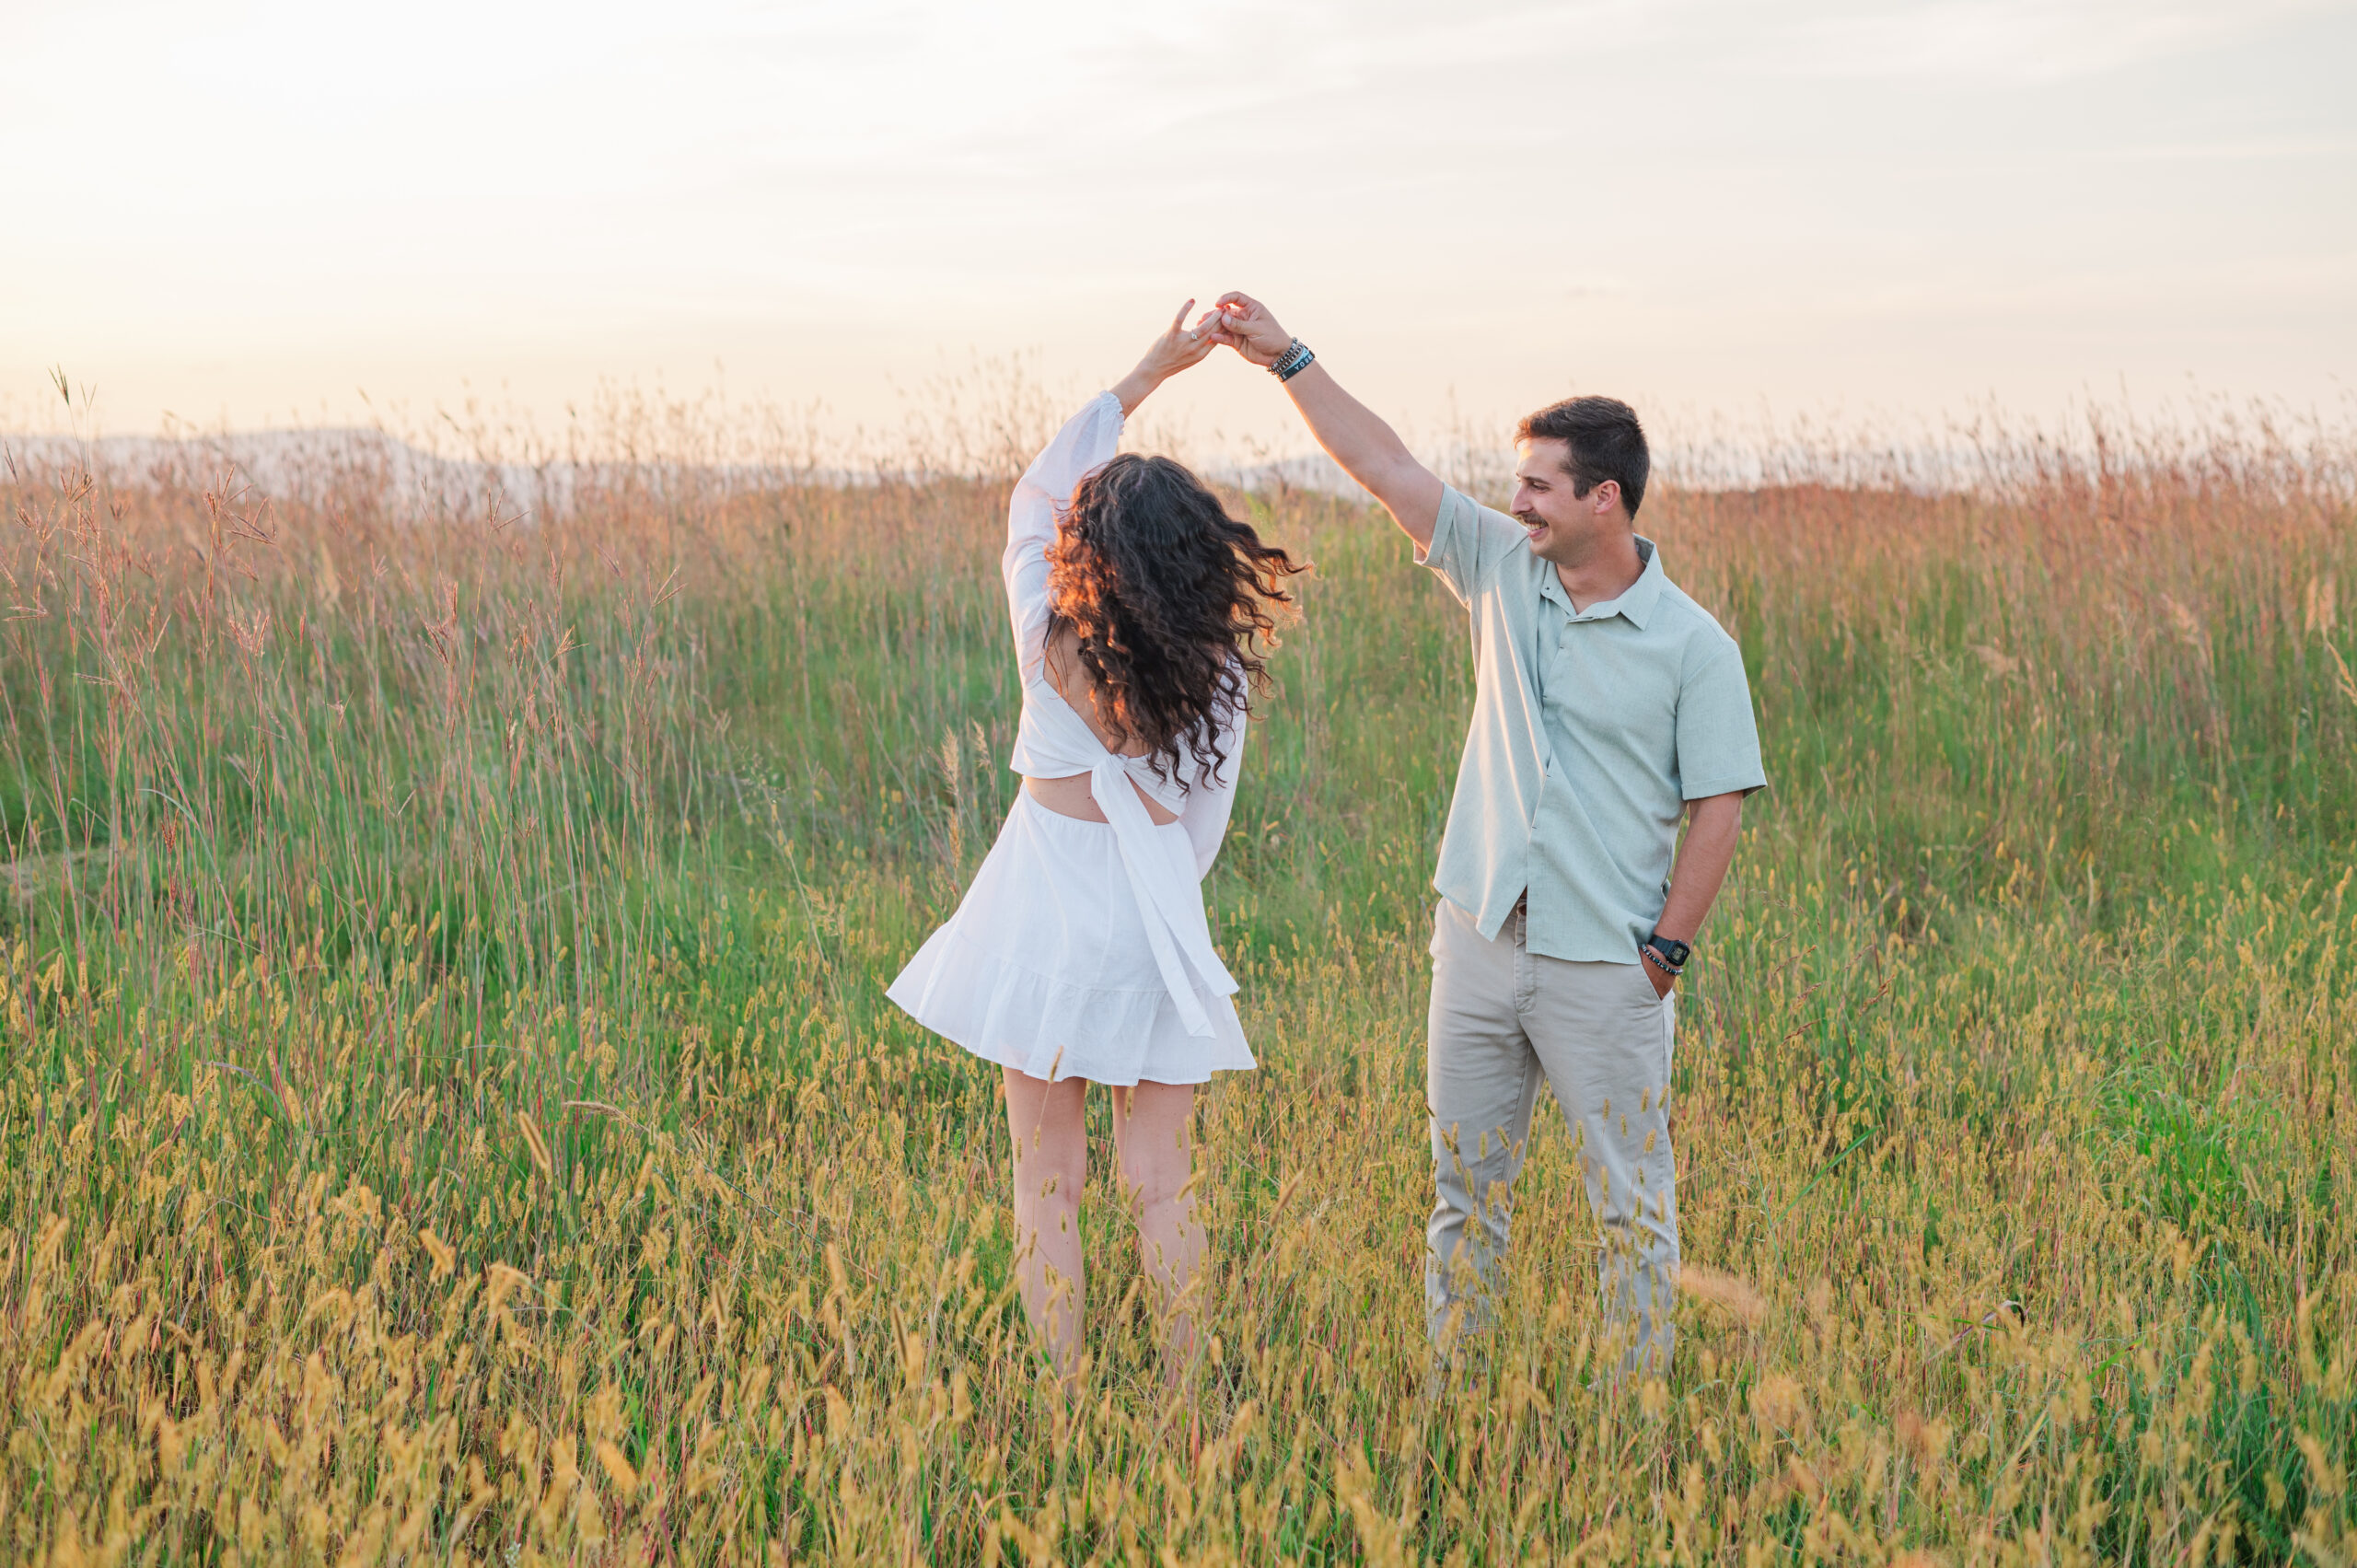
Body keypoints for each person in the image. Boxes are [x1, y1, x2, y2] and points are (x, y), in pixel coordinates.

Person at [1207, 293, 1764, 1377]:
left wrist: (1664, 954)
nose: (1516, 504)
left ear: (1605, 498)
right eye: (1515, 484)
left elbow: (1720, 806)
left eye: (1538, 486)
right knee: (1464, 1193)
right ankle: (1457, 1404)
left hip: (1608, 962)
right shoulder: (1503, 570)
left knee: (1630, 1213)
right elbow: (1385, 465)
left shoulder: (1696, 648)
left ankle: (1626, 1426)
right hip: (1476, 938)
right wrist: (1288, 357)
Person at [887, 302, 1306, 1388]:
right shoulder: (1213, 675)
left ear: (1087, 551)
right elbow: (1200, 821)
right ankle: (1185, 1394)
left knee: (1047, 1185)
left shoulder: (1045, 635)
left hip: (1041, 921)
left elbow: (1032, 492)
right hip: (1151, 929)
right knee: (1161, 1183)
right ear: (1199, 560)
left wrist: (1147, 373)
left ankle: (1066, 1398)